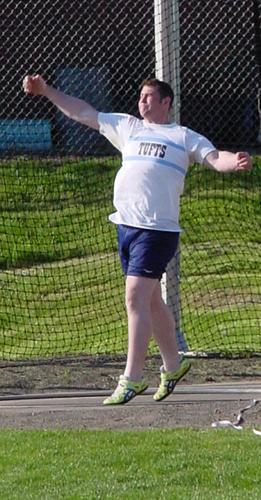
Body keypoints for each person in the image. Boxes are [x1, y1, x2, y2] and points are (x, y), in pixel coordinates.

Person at [23, 75, 252, 405]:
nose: (142, 102)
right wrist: (46, 91)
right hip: (126, 227)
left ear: (165, 102)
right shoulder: (128, 127)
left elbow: (215, 158)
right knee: (150, 301)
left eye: (149, 97)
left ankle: (131, 378)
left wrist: (235, 162)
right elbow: (82, 112)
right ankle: (174, 365)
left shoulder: (182, 136)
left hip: (158, 230)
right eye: (140, 96)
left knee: (135, 296)